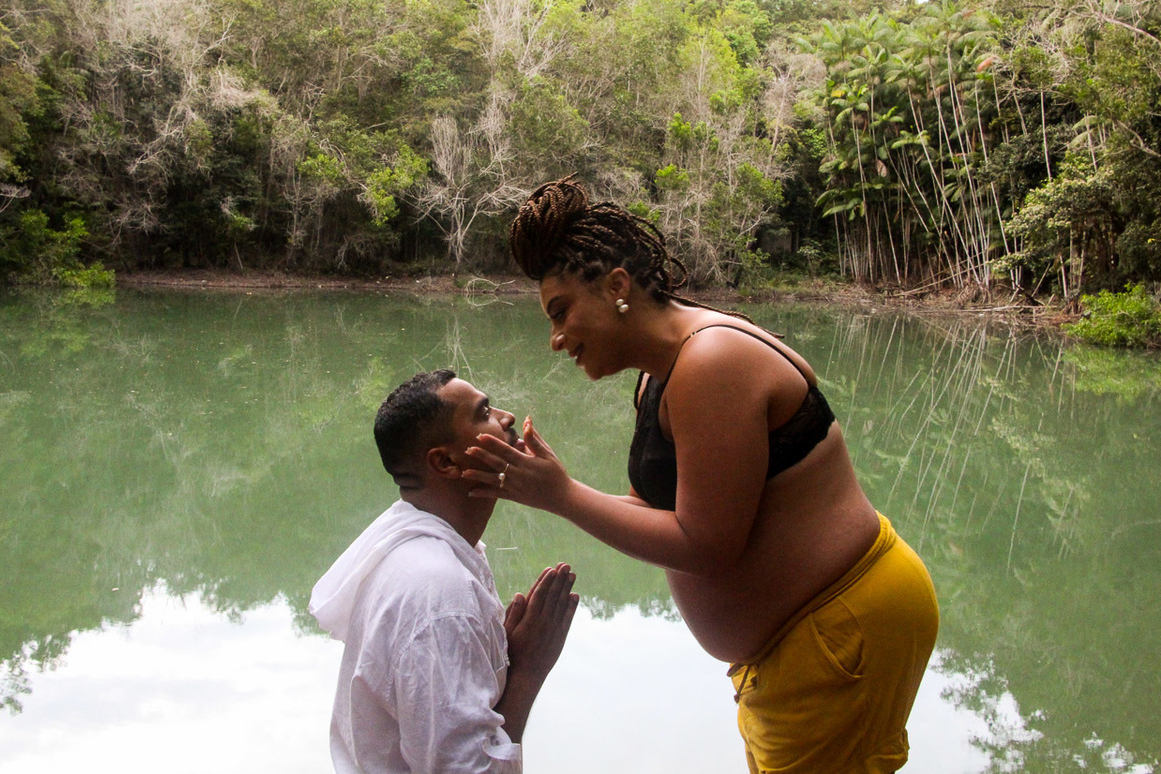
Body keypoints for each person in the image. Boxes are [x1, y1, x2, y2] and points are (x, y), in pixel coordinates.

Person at [462, 177, 939, 773]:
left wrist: (562, 496)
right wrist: (556, 487)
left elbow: (709, 545)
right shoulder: (660, 374)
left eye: (561, 313)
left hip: (841, 627)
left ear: (616, 287)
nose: (556, 340)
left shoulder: (711, 362)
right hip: (803, 643)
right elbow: (660, 515)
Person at [310, 369, 578, 774]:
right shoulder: (438, 593)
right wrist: (527, 672)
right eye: (484, 412)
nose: (506, 418)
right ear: (446, 461)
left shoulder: (427, 553)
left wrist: (499, 664)